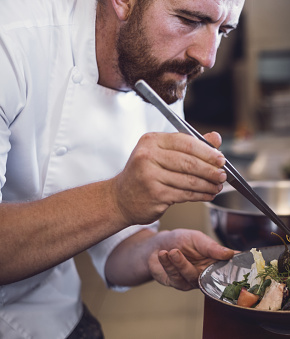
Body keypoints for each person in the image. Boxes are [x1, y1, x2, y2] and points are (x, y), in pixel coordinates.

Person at [0, 0, 245, 337]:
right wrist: (117, 201)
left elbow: (115, 247)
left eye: (223, 31)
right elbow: (115, 205)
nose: (208, 57)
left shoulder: (161, 74)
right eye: (189, 19)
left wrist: (156, 250)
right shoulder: (10, 41)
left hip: (52, 316)